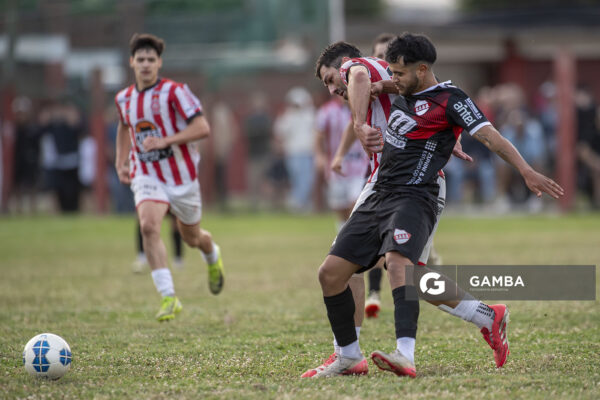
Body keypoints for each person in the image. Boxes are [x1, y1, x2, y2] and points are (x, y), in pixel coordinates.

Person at [306, 33, 563, 378]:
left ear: (422, 70)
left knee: (400, 267)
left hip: (417, 193)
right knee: (334, 273)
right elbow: (380, 90)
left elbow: (491, 137)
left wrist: (527, 170)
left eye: (397, 73)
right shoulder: (401, 89)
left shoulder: (450, 98)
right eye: (389, 70)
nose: (391, 79)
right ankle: (354, 356)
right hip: (380, 188)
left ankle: (405, 355)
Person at [303, 40, 470, 378]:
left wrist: (360, 124)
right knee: (349, 268)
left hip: (411, 186)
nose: (332, 87)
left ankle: (388, 352)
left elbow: (361, 78)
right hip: (385, 183)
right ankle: (350, 354)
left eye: (329, 79)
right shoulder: (391, 82)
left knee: (401, 269)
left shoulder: (358, 69)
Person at [114, 33, 225, 322]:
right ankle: (168, 296)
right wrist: (121, 159)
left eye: (151, 59)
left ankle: (212, 254)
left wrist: (166, 140)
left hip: (182, 177)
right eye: (141, 59)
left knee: (192, 238)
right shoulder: (123, 98)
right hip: (146, 173)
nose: (146, 64)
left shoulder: (176, 92)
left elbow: (203, 128)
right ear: (132, 63)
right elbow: (124, 126)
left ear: (159, 62)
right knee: (148, 226)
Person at [273, 87, 316, 212]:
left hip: (308, 151)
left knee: (307, 178)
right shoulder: (287, 116)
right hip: (293, 152)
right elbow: (279, 131)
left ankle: (300, 202)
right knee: (296, 177)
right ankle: (299, 202)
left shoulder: (311, 115)